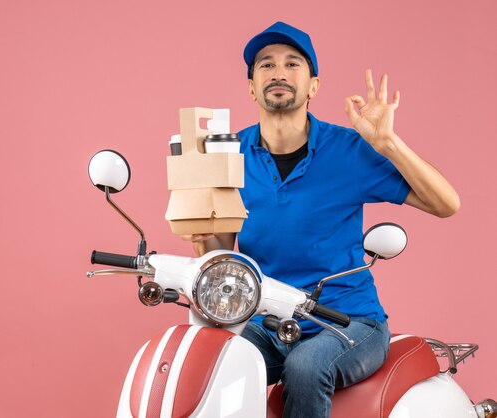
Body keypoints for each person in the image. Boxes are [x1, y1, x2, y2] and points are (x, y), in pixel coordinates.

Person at [183, 21, 460, 418]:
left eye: (292, 64)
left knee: (306, 366)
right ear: (251, 86)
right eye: (266, 65)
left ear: (314, 85)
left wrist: (388, 143)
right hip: (267, 319)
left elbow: (445, 203)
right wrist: (200, 236)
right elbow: (223, 252)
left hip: (349, 322)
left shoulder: (348, 150)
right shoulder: (229, 155)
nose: (278, 72)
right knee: (214, 361)